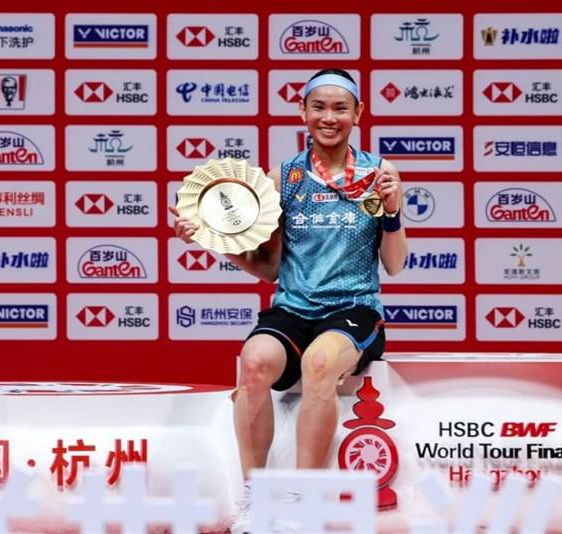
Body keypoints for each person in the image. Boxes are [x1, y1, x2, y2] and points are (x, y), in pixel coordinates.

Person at [169, 68, 407, 531]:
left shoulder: (379, 174)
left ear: (359, 112)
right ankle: (257, 499)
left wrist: (395, 214)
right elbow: (270, 267)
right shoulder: (285, 178)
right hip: (294, 308)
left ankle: (303, 500)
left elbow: (394, 264)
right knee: (254, 361)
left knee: (320, 363)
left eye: (341, 107)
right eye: (319, 106)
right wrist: (213, 240)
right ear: (302, 112)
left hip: (354, 309)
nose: (329, 117)